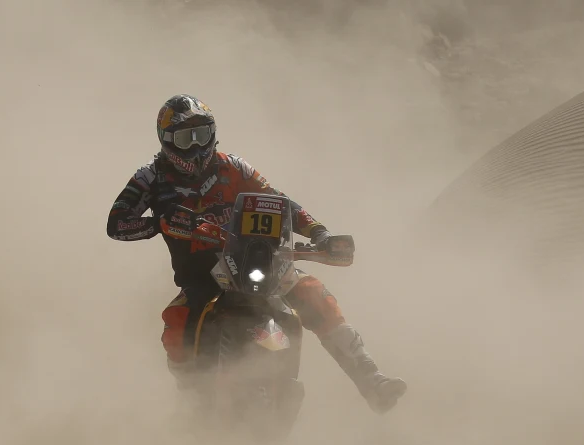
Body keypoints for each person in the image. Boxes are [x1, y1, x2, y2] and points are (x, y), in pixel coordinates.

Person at [106, 94, 407, 414]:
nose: (195, 146)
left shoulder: (234, 166)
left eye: (201, 134)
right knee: (177, 322)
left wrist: (320, 232)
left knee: (315, 294)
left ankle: (372, 380)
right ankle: (190, 398)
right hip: (203, 275)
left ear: (213, 133)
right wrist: (162, 222)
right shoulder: (149, 177)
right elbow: (117, 224)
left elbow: (280, 201)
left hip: (257, 260)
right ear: (167, 140)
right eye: (184, 137)